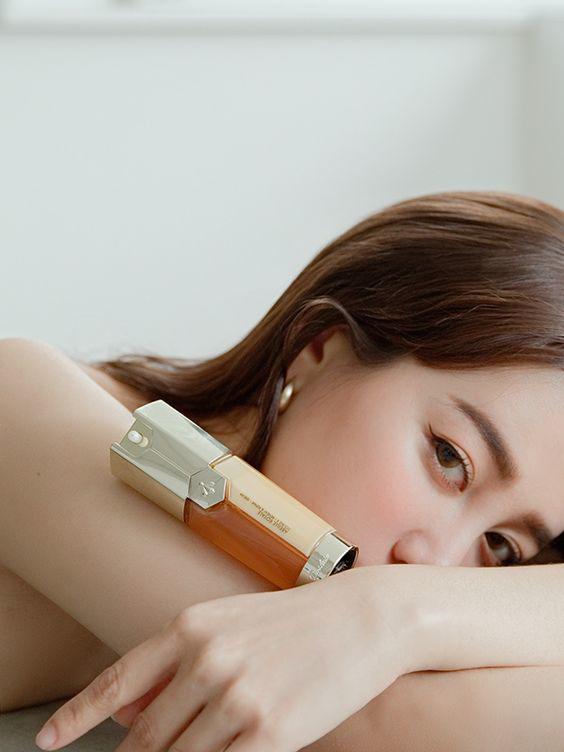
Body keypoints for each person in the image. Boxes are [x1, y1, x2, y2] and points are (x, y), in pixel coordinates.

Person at [1, 190, 564, 751]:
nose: (434, 565)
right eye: (449, 457)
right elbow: (402, 723)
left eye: (501, 546)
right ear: (316, 347)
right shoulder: (25, 397)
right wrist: (393, 611)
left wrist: (401, 611)